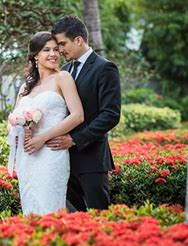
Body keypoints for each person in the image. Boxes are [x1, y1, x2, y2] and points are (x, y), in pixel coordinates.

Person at [46, 15, 121, 211]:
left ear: (78, 40)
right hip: (64, 160)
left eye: (63, 44)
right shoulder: (64, 70)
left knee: (100, 216)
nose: (59, 50)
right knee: (75, 219)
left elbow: (110, 115)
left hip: (92, 160)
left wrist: (75, 139)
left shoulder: (105, 68)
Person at [8, 31, 84, 215]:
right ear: (35, 56)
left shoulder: (62, 78)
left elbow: (77, 116)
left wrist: (42, 138)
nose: (54, 54)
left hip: (51, 153)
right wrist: (19, 127)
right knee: (30, 206)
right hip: (28, 156)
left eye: (56, 50)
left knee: (49, 207)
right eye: (46, 50)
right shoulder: (26, 86)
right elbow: (12, 121)